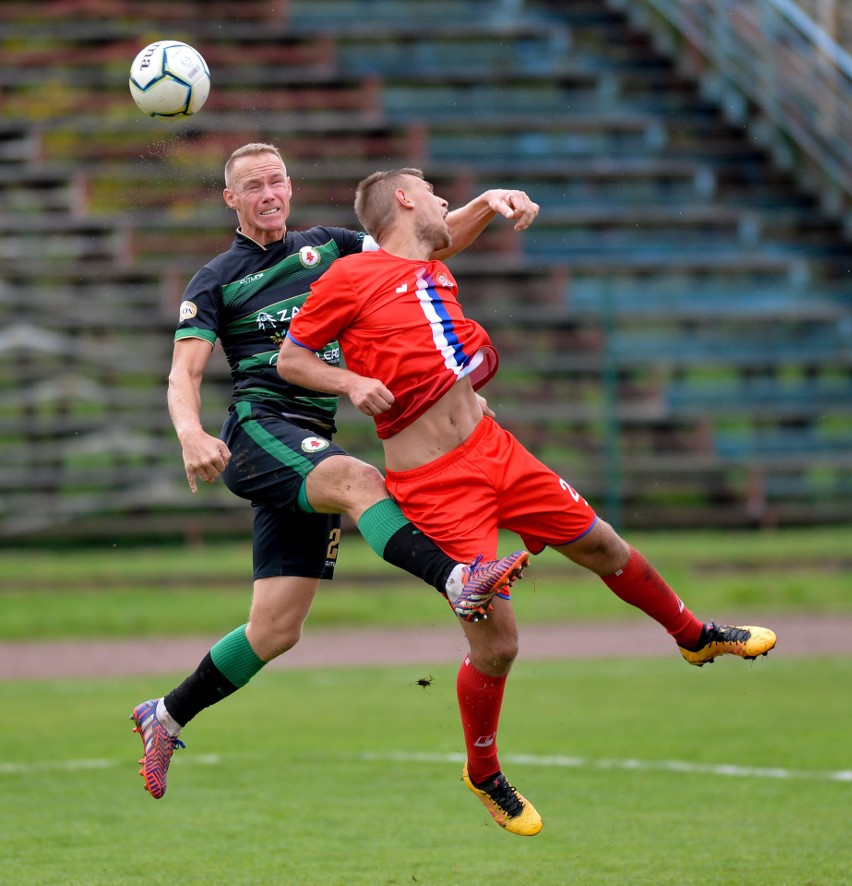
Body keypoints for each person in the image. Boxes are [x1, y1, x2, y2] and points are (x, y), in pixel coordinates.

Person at [278, 167, 778, 837]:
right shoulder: (346, 278)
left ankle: (694, 638)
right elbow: (291, 358)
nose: (441, 199)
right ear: (402, 197)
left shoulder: (427, 263)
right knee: (499, 647)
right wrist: (349, 379)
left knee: (603, 544)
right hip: (435, 484)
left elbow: (442, 240)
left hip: (495, 449)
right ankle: (482, 770)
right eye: (431, 189)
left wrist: (487, 202)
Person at [129, 145, 542, 800]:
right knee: (359, 481)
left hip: (307, 441)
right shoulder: (216, 279)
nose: (268, 193)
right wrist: (189, 432)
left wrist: (487, 205)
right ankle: (457, 580)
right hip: (260, 433)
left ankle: (166, 713)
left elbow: (427, 241)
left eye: (276, 181)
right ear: (230, 201)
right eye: (252, 186)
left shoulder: (334, 247)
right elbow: (184, 372)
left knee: (275, 630)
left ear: (290, 188)